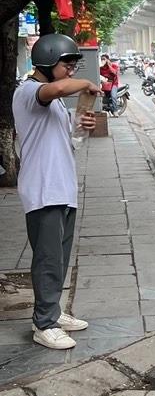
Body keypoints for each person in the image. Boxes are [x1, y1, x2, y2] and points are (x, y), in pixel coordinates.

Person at [12, 34, 97, 350]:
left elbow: (67, 141)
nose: (71, 71)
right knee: (48, 259)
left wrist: (82, 127)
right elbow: (56, 89)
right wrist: (86, 83)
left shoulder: (57, 103)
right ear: (47, 62)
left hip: (63, 188)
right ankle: (44, 324)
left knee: (59, 258)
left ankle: (54, 312)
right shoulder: (29, 91)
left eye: (74, 66)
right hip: (43, 189)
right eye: (67, 65)